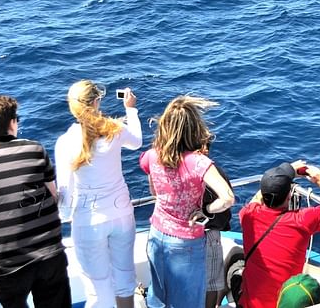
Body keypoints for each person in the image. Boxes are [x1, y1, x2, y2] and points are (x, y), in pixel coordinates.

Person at [139, 96, 234, 308]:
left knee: (158, 297)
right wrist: (206, 210)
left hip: (156, 235)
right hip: (186, 242)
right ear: (193, 128)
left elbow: (154, 190)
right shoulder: (199, 162)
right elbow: (227, 198)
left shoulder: (151, 156)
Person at [55, 80, 142, 308]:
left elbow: (65, 191)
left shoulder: (65, 142)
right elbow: (137, 142)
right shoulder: (115, 130)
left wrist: (64, 217)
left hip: (88, 221)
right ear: (96, 102)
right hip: (122, 215)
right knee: (124, 280)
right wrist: (130, 109)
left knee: (97, 288)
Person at [0, 93, 71, 308]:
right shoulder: (33, 149)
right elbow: (53, 194)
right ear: (12, 123)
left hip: (4, 262)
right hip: (48, 253)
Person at [239, 161, 320, 308]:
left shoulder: (247, 215)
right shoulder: (302, 220)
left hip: (248, 304)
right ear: (289, 196)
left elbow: (258, 197)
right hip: (285, 303)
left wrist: (286, 172)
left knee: (236, 268)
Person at [203, 162, 234, 308]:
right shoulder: (215, 173)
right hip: (208, 234)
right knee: (211, 285)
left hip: (178, 232)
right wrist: (207, 210)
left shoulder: (173, 168)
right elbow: (227, 201)